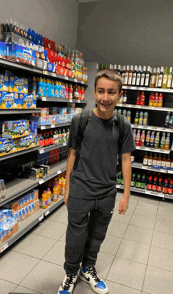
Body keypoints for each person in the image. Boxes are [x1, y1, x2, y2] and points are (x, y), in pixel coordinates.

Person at [57, 69, 135, 294]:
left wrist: (126, 195)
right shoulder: (80, 120)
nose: (105, 97)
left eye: (111, 92)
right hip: (80, 189)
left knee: (97, 234)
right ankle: (71, 272)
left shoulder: (123, 125)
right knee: (75, 236)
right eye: (101, 91)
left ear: (120, 95)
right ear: (95, 92)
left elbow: (126, 160)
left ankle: (88, 268)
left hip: (107, 192)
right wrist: (67, 188)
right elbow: (72, 155)